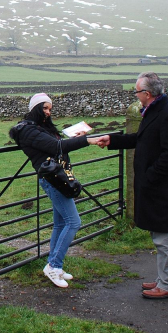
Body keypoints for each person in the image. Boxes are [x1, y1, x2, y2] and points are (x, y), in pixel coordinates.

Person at [94, 72, 168, 299]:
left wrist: (149, 177)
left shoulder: (167, 115)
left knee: (166, 237)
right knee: (160, 236)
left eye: (137, 91)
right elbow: (142, 138)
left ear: (147, 94)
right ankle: (164, 279)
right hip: (157, 188)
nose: (136, 95)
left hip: (163, 189)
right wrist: (112, 139)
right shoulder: (155, 111)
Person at [9, 93, 104, 288]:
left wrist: (76, 138)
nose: (48, 112)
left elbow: (58, 147)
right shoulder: (28, 131)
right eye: (44, 108)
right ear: (35, 108)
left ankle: (55, 266)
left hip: (58, 176)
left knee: (60, 223)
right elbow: (55, 146)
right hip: (52, 178)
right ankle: (53, 265)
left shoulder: (39, 128)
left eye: (50, 109)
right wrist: (89, 141)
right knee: (73, 222)